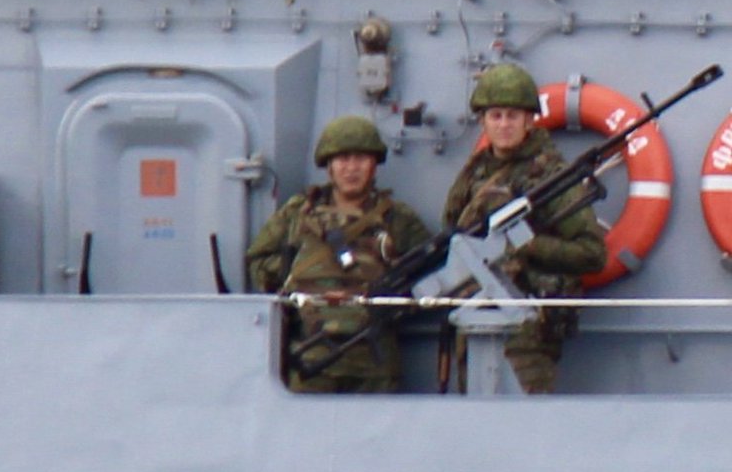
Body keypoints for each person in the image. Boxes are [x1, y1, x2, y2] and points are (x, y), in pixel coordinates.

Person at [443, 63, 607, 394]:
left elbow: (592, 254)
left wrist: (523, 245)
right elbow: (454, 235)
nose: (504, 125)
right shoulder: (473, 176)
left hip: (528, 331)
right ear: (483, 121)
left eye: (513, 116)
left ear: (529, 120)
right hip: (474, 321)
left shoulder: (550, 178)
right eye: (496, 116)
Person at [246, 115, 431, 393]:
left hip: (374, 359)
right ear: (329, 166)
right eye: (342, 159)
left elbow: (429, 274)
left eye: (360, 159)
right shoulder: (297, 214)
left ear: (374, 165)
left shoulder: (398, 220)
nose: (351, 168)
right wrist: (295, 276)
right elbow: (258, 260)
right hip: (310, 355)